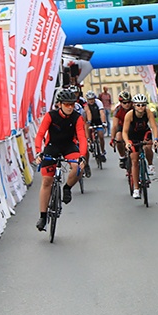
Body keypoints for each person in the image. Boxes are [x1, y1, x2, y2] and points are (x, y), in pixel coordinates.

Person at [34, 87, 88, 231]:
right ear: (60, 104)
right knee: (47, 181)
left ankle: (67, 188)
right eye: (66, 104)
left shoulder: (77, 117)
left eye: (72, 104)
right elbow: (40, 135)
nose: (70, 107)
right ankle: (43, 217)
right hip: (52, 146)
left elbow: (82, 138)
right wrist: (39, 152)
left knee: (77, 168)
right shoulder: (50, 116)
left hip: (69, 146)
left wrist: (82, 156)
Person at [122, 93, 158, 198]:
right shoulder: (129, 114)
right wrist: (127, 142)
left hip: (144, 133)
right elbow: (124, 132)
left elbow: (154, 127)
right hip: (132, 136)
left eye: (143, 105)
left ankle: (150, 165)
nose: (141, 107)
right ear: (134, 105)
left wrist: (156, 139)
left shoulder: (148, 112)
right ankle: (136, 189)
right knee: (134, 159)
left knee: (148, 146)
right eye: (138, 105)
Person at [110, 91, 133, 169]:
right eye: (124, 102)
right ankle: (122, 157)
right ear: (121, 102)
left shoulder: (134, 107)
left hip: (132, 125)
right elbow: (114, 126)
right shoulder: (118, 109)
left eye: (129, 102)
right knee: (119, 137)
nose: (127, 104)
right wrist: (112, 139)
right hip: (121, 125)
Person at [84, 90, 107, 160]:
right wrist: (88, 122)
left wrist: (104, 122)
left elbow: (102, 113)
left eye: (92, 99)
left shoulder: (98, 103)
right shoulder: (86, 105)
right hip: (90, 120)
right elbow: (87, 113)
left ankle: (102, 151)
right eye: (89, 99)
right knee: (87, 127)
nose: (91, 101)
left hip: (98, 120)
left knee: (101, 136)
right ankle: (90, 142)